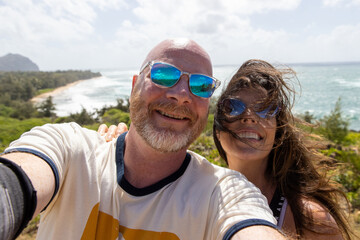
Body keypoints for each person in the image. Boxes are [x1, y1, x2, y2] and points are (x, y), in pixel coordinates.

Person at [0, 39, 287, 240]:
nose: (181, 94)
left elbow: (249, 224)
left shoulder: (224, 192)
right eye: (164, 75)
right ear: (135, 86)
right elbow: (16, 182)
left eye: (200, 85)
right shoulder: (68, 148)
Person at [100, 59, 354, 240]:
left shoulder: (309, 218)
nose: (250, 116)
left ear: (278, 131)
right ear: (218, 131)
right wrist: (124, 145)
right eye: (233, 107)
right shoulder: (196, 189)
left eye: (266, 109)